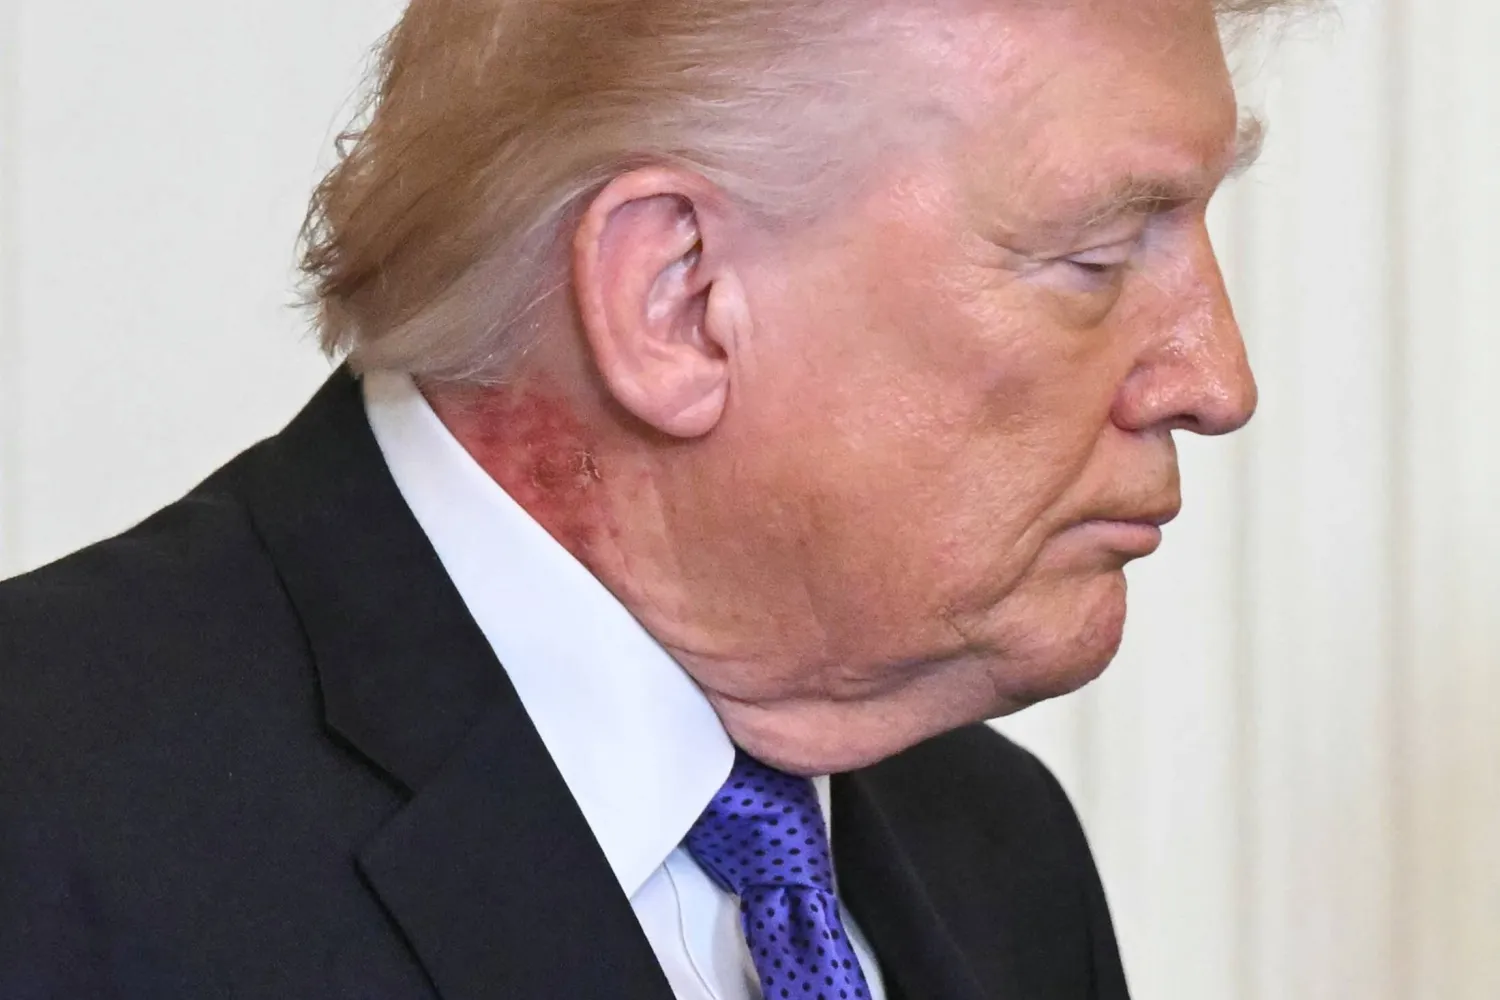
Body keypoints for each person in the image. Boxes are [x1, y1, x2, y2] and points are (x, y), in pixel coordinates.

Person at [0, 0, 1276, 996]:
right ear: (676, 298)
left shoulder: (997, 852)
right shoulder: (46, 827)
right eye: (1097, 259)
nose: (1217, 380)